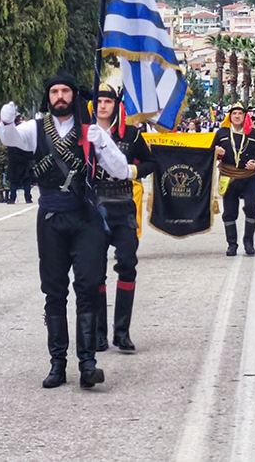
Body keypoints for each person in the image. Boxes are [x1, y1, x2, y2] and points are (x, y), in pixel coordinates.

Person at [0, 73, 130, 390]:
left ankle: (88, 364)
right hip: (51, 219)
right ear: (49, 96)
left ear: (74, 95)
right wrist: (6, 121)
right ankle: (57, 363)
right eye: (54, 91)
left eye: (65, 91)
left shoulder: (90, 130)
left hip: (85, 217)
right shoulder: (35, 129)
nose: (60, 96)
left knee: (88, 288)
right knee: (54, 292)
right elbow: (11, 139)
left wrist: (102, 144)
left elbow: (121, 169)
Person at [91, 84, 158, 353]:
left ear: (115, 105)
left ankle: (122, 332)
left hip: (123, 205)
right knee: (94, 271)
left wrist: (131, 171)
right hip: (93, 207)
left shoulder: (130, 134)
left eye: (107, 101)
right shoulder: (84, 134)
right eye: (98, 101)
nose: (102, 106)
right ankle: (98, 333)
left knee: (128, 264)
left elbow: (151, 163)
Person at [213, 104, 255, 257]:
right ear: (230, 117)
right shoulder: (221, 133)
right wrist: (218, 153)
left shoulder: (254, 134)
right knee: (229, 212)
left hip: (249, 177)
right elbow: (209, 152)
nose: (237, 116)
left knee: (252, 208)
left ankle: (248, 242)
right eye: (234, 114)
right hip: (229, 176)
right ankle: (232, 244)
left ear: (245, 116)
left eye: (240, 113)